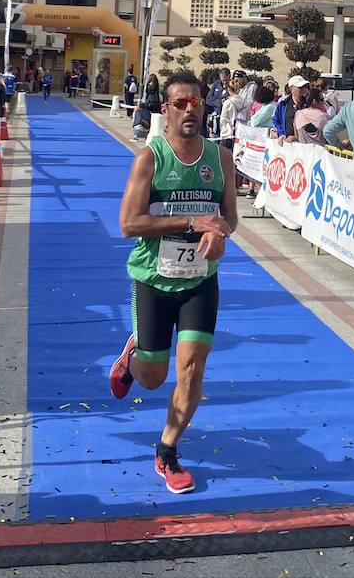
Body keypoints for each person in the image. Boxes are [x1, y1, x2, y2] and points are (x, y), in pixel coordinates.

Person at [109, 71, 238, 495]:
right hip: (153, 278)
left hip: (200, 280)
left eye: (196, 102)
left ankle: (167, 450)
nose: (190, 109)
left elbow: (229, 217)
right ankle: (132, 356)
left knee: (192, 370)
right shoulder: (150, 158)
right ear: (165, 110)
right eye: (180, 103)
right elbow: (128, 224)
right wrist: (189, 221)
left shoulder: (219, 159)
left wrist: (218, 233)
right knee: (152, 377)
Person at [272, 75, 309, 140]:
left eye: (305, 87)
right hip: (287, 145)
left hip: (304, 143)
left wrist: (296, 137)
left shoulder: (308, 104)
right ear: (291, 89)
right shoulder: (283, 104)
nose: (303, 89)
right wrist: (281, 133)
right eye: (300, 87)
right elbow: (275, 120)